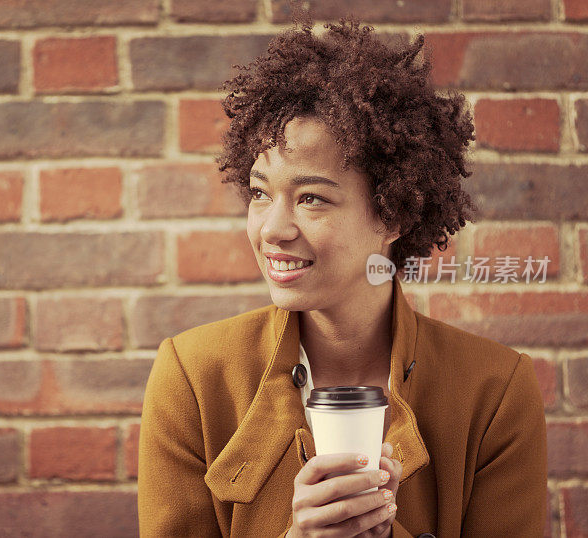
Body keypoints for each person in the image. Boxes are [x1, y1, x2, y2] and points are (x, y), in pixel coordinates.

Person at [137, 15, 547, 538]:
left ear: (392, 215)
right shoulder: (194, 378)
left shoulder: (493, 392)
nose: (272, 230)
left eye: (312, 199)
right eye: (260, 193)